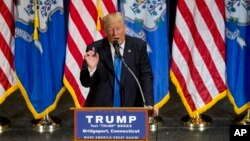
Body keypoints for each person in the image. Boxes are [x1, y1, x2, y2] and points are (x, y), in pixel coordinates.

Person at [80, 12, 157, 115]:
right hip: (100, 110)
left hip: (132, 108)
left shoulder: (138, 46)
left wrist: (149, 104)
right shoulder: (95, 49)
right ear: (105, 31)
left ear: (124, 27)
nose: (115, 33)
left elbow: (145, 76)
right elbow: (85, 83)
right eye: (110, 29)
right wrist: (91, 69)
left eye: (118, 28)